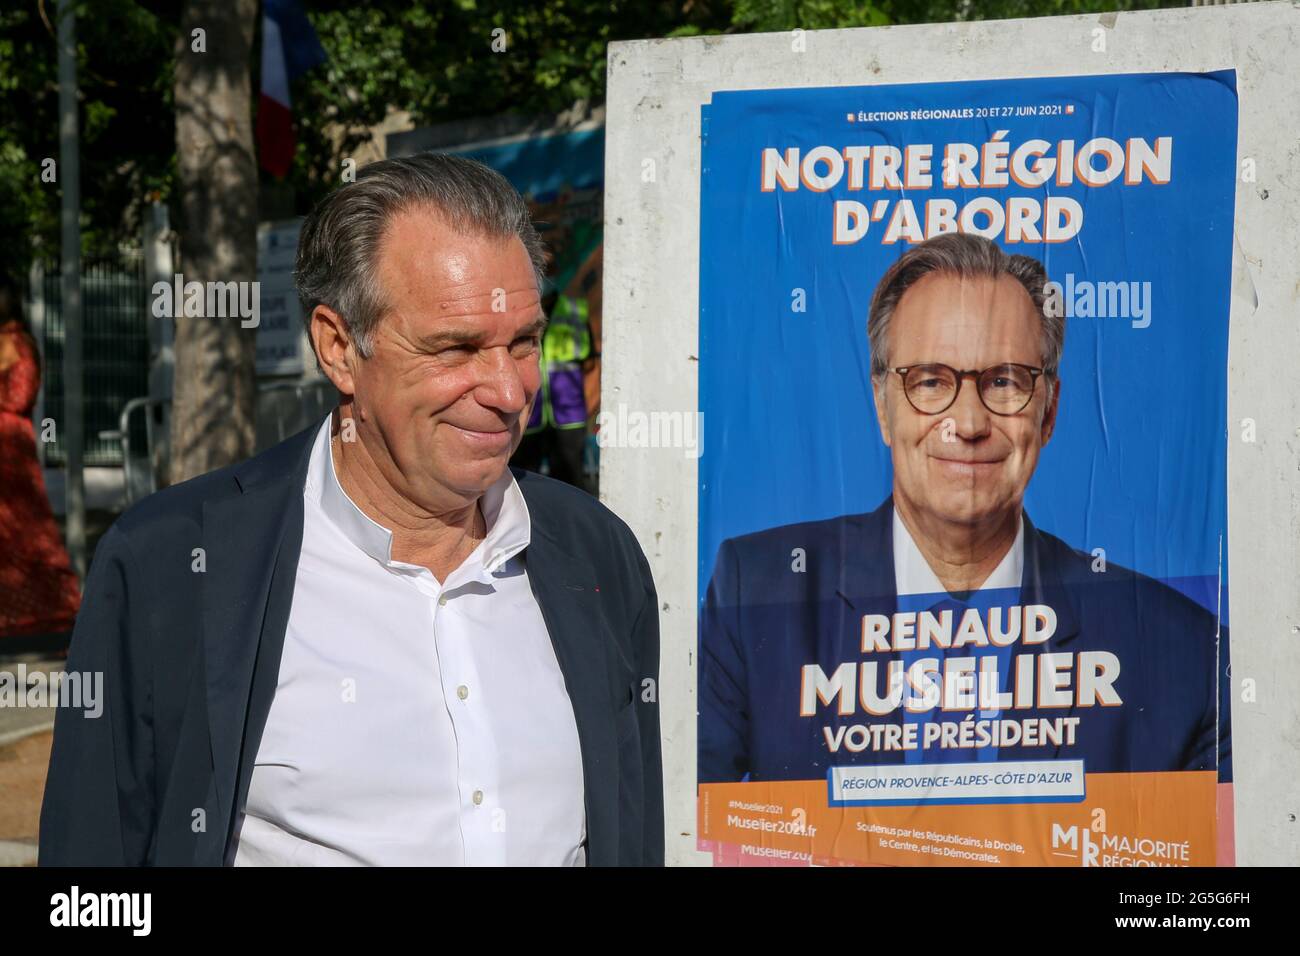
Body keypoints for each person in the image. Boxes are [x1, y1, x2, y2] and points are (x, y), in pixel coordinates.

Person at [40, 154, 663, 866]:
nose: (509, 390)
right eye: (456, 347)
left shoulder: (597, 555)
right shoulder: (174, 566)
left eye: (522, 342)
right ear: (339, 349)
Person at [698, 232, 1230, 785]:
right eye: (930, 381)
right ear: (883, 407)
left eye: (1005, 382)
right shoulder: (755, 594)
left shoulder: (1183, 653)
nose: (969, 424)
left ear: (1048, 413)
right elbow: (696, 838)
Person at [0, 273, 81, 640]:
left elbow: (19, 397)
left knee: (28, 533)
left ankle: (57, 606)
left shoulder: (20, 343)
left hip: (10, 450)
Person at [512, 290, 595, 490]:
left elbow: (590, 362)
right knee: (525, 483)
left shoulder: (573, 311)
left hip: (569, 414)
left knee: (571, 481)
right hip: (529, 414)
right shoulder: (518, 311)